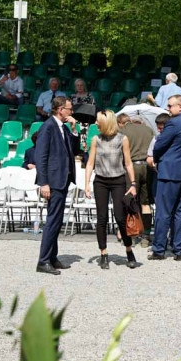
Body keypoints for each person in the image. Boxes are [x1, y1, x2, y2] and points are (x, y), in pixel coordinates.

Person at [84, 110, 140, 270]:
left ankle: (129, 249)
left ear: (107, 123)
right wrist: (87, 184)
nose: (96, 123)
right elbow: (90, 163)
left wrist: (133, 184)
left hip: (118, 181)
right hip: (100, 181)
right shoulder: (96, 139)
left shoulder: (122, 139)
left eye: (98, 121)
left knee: (120, 217)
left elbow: (128, 163)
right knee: (102, 218)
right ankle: (103, 253)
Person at [150, 95, 181, 261]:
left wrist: (156, 159)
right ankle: (178, 249)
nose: (168, 109)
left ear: (180, 106)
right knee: (180, 212)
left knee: (163, 212)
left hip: (169, 172)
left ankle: (159, 249)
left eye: (170, 106)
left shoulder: (173, 122)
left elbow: (159, 145)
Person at [35, 96, 78, 275]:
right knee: (53, 220)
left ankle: (52, 257)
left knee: (57, 220)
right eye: (69, 109)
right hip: (53, 181)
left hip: (62, 179)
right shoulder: (48, 127)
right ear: (60, 110)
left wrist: (74, 130)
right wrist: (43, 182)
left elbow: (74, 150)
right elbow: (40, 156)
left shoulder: (63, 128)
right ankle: (43, 260)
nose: (71, 112)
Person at [119, 114, 156, 236]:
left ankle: (130, 232)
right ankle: (146, 235)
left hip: (132, 167)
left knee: (130, 200)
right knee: (146, 203)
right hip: (148, 167)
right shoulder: (149, 130)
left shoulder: (124, 130)